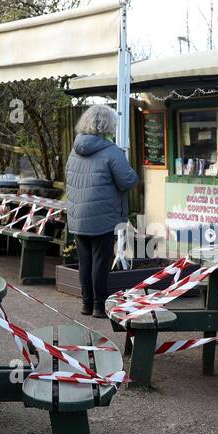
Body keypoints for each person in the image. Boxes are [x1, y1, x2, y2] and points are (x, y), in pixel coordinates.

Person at [65, 104, 139, 318]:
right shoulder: (112, 151)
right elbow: (128, 181)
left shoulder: (75, 149)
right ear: (109, 125)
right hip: (103, 214)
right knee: (101, 261)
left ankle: (86, 304)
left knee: (85, 261)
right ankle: (99, 306)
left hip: (78, 215)